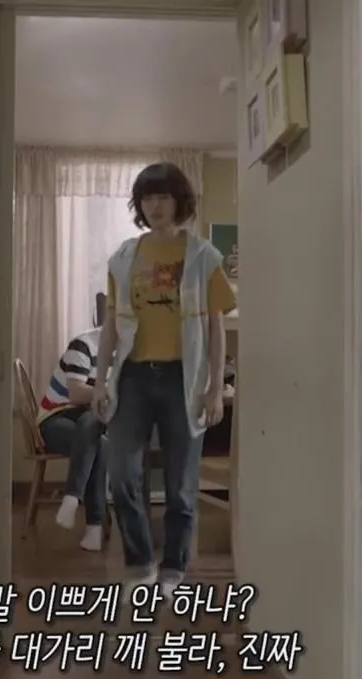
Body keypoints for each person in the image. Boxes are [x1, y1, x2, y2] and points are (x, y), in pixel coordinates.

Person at [92, 162, 236, 595]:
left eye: (163, 197)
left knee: (180, 484)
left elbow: (215, 330)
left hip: (182, 379)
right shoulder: (123, 258)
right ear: (139, 205)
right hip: (132, 377)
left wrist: (214, 388)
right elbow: (111, 327)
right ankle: (139, 562)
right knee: (122, 475)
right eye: (147, 198)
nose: (155, 206)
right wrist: (100, 381)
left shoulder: (204, 257)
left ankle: (174, 565)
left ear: (179, 202)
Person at [37, 327, 108, 551]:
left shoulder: (130, 352)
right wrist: (111, 390)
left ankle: (72, 499)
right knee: (96, 443)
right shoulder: (83, 345)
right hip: (56, 416)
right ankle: (94, 528)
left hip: (92, 418)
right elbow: (76, 393)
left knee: (93, 431)